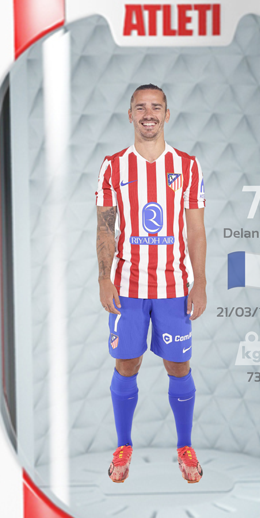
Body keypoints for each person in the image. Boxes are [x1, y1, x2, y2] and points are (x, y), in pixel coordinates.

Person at [95, 84, 207, 484]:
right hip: (127, 286)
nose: (148, 114)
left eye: (155, 107)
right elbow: (105, 227)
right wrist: (104, 277)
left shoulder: (187, 166)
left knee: (178, 365)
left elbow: (196, 230)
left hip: (174, 286)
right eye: (140, 107)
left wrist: (200, 281)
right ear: (130, 115)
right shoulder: (113, 166)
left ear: (166, 114)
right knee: (127, 363)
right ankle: (123, 445)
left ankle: (185, 446)